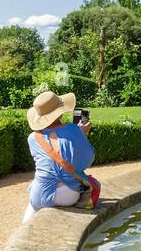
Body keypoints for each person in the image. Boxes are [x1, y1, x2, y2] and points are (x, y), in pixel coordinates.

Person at [23, 90, 98, 223]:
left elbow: (50, 162)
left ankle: (24, 227)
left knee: (34, 199)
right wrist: (82, 135)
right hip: (67, 194)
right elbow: (87, 160)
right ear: (60, 112)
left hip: (38, 192)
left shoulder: (32, 138)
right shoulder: (73, 130)